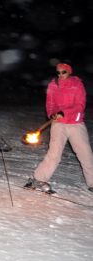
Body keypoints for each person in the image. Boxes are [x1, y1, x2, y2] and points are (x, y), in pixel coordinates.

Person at [26, 63, 93, 193]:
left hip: (75, 123)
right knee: (54, 153)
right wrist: (52, 114)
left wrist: (64, 112)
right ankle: (38, 178)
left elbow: (80, 105)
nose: (60, 75)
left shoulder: (77, 84)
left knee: (86, 154)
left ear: (69, 72)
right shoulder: (53, 85)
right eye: (58, 72)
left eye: (63, 72)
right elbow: (50, 104)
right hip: (59, 124)